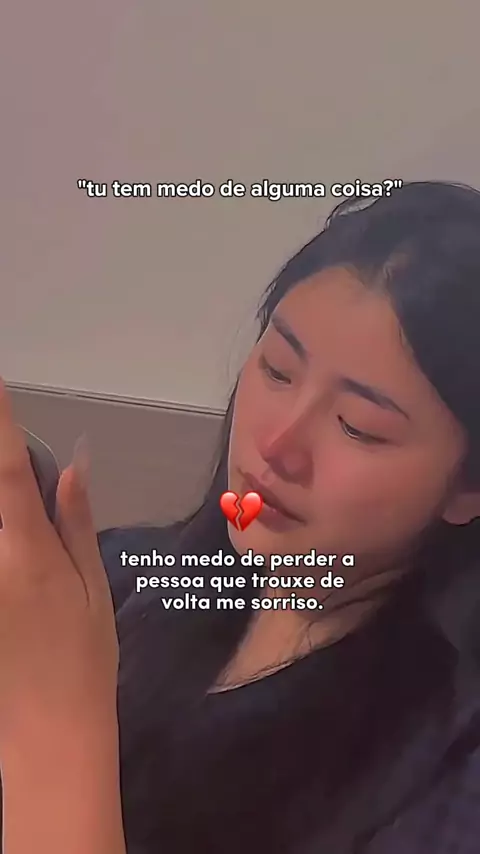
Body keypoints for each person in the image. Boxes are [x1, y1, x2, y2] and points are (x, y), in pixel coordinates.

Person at [1, 180, 480, 854]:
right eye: (278, 370)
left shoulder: (447, 769)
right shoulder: (119, 578)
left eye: (358, 426)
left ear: (467, 488)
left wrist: (58, 724)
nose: (276, 444)